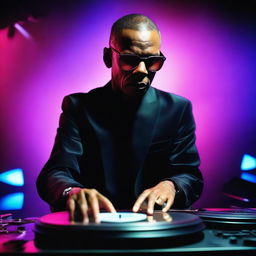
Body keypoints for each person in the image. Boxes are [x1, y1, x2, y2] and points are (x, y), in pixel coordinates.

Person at [36, 14, 203, 223]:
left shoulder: (178, 109)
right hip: (93, 231)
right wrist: (73, 192)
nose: (142, 71)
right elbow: (55, 173)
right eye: (130, 60)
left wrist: (171, 186)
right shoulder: (78, 108)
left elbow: (190, 176)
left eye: (153, 62)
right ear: (108, 57)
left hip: (155, 232)